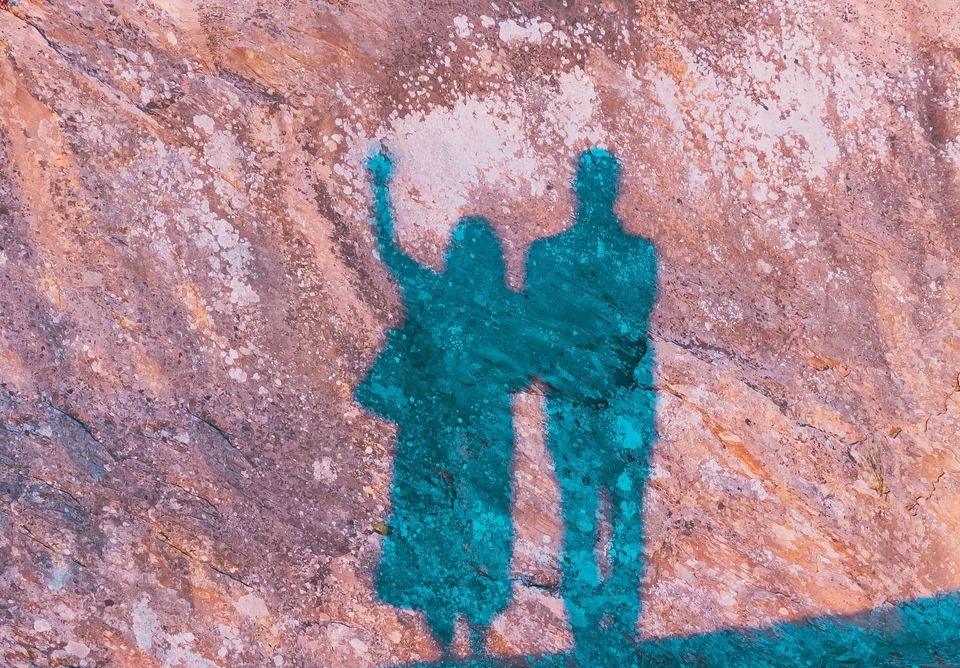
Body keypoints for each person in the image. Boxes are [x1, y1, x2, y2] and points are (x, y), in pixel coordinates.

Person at [356, 151, 528, 658]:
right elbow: (524, 368)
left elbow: (389, 251)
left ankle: (447, 636)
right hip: (482, 429)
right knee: (473, 516)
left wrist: (381, 187)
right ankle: (471, 632)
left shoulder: (435, 294)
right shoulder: (501, 308)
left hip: (429, 428)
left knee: (432, 513)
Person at [524, 148, 658, 666]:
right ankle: (604, 637)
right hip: (605, 398)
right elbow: (628, 321)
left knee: (595, 516)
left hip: (585, 397)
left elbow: (548, 326)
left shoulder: (550, 254)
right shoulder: (630, 252)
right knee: (606, 516)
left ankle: (599, 638)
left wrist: (576, 363)